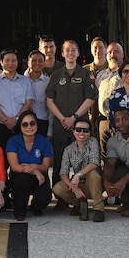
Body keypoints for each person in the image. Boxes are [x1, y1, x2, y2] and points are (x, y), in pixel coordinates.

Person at [45, 40, 97, 211]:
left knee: (80, 161)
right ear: (62, 53)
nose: (70, 53)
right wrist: (63, 119)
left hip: (79, 126)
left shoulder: (84, 74)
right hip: (61, 126)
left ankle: (78, 199)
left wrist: (73, 118)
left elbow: (90, 97)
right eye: (67, 50)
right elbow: (49, 100)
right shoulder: (56, 75)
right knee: (60, 161)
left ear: (78, 53)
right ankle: (61, 198)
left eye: (73, 50)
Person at [52, 117, 105, 222]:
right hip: (79, 185)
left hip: (95, 184)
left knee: (92, 173)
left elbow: (94, 163)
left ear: (90, 132)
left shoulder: (93, 142)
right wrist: (73, 187)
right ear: (73, 131)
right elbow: (63, 173)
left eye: (86, 130)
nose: (82, 133)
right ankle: (80, 204)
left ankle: (99, 209)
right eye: (78, 129)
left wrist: (77, 175)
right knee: (57, 188)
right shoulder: (68, 150)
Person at [5, 111, 53, 221]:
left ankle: (36, 207)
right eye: (25, 124)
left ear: (37, 124)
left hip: (39, 176)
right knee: (23, 180)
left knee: (44, 198)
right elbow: (15, 167)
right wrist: (35, 170)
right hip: (20, 176)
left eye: (32, 123)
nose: (29, 127)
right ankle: (20, 210)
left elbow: (46, 166)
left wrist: (34, 168)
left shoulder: (44, 141)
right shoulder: (13, 141)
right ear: (20, 126)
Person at [0, 49, 34, 152]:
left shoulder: (25, 81)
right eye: (7, 60)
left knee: (19, 158)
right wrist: (7, 121)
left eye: (13, 60)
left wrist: (16, 119)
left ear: (17, 62)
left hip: (21, 125)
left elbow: (28, 103)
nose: (10, 63)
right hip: (0, 126)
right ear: (1, 62)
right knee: (0, 160)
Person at [95, 42, 124, 153]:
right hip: (104, 122)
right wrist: (94, 122)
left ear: (123, 54)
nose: (112, 54)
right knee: (106, 157)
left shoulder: (128, 73)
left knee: (123, 157)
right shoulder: (101, 75)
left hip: (121, 122)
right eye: (109, 52)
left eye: (116, 51)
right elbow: (96, 98)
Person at [25, 50, 51, 136]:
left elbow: (51, 109)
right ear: (28, 63)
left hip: (42, 122)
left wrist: (50, 132)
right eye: (34, 61)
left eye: (40, 61)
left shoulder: (48, 82)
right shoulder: (21, 81)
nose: (37, 63)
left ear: (44, 63)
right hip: (24, 122)